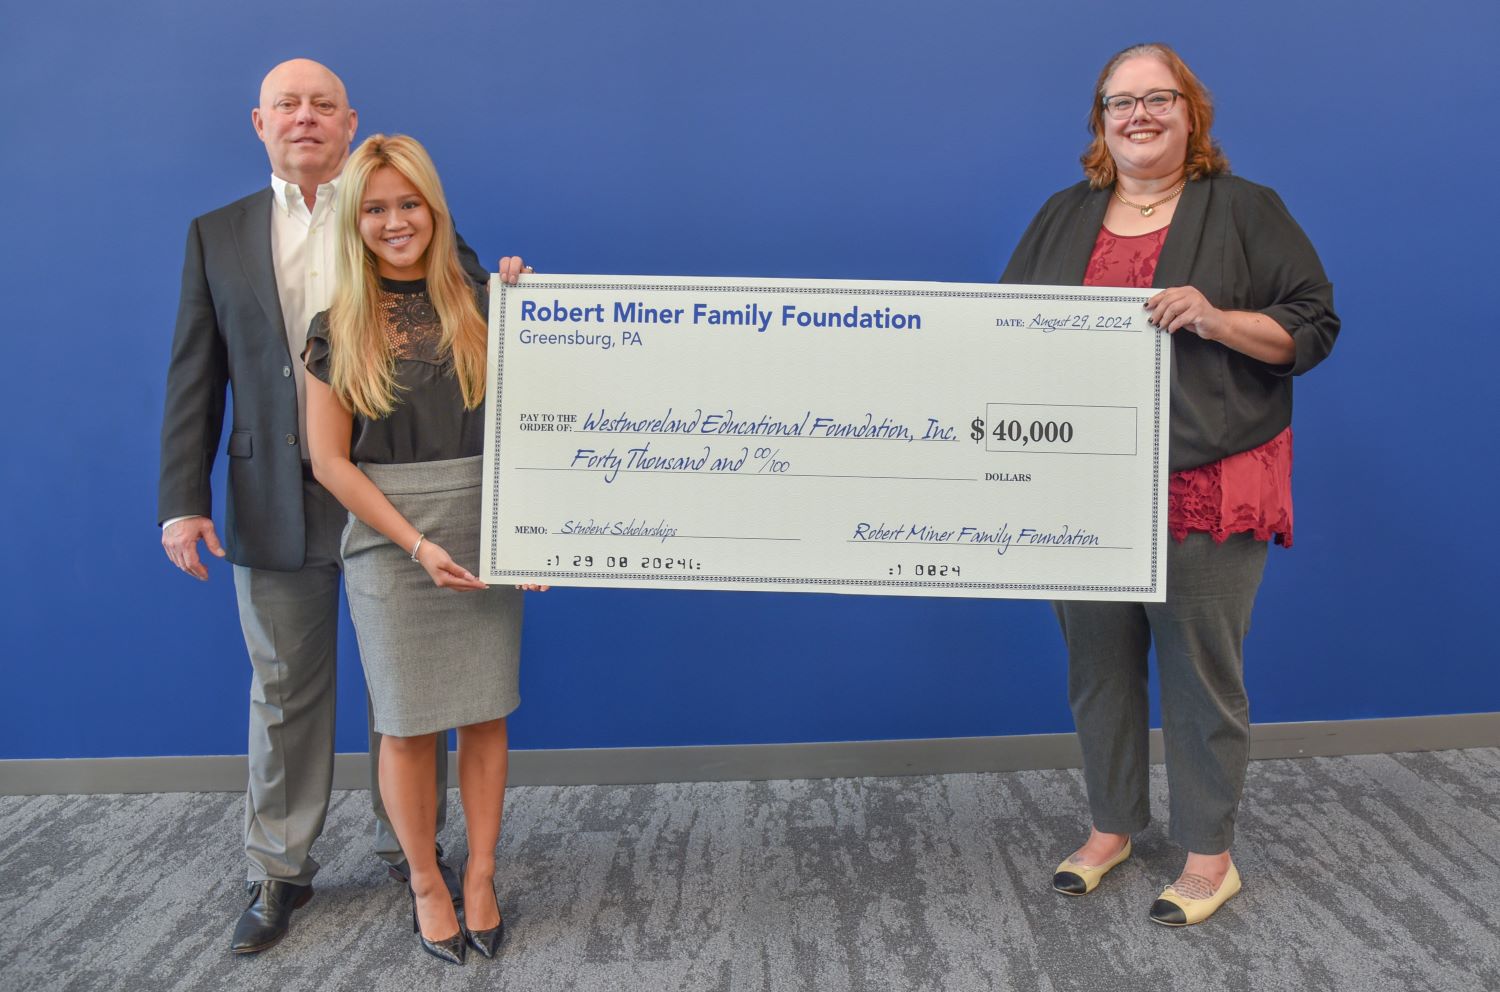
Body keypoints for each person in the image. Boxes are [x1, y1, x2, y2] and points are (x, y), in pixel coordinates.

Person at [1001, 42, 1339, 925]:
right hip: (1083, 483)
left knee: (1199, 674)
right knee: (1098, 667)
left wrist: (1218, 317)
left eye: (1159, 99)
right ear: (1099, 121)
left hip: (1204, 475)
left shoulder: (1245, 209)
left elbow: (1312, 323)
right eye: (1121, 103)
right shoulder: (1061, 216)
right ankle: (1112, 826)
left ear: (1192, 114)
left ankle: (1207, 855)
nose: (1139, 116)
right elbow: (1002, 330)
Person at [157, 59, 488, 954]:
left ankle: (408, 851)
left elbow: (478, 319)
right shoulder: (216, 235)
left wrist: (521, 290)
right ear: (258, 123)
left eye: (323, 105)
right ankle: (278, 870)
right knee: (283, 690)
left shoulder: (399, 206)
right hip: (275, 495)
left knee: (408, 692)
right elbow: (197, 375)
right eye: (287, 105)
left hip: (400, 492)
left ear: (351, 123)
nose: (305, 117)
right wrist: (182, 500)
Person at [304, 133, 544, 965]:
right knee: (406, 728)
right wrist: (413, 544)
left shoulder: (488, 299)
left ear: (436, 209)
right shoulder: (335, 324)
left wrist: (544, 528)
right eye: (376, 208)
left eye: (410, 204)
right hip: (390, 539)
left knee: (485, 713)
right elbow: (330, 462)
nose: (395, 221)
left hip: (487, 521)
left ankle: (479, 875)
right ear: (354, 220)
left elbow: (554, 417)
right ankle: (425, 881)